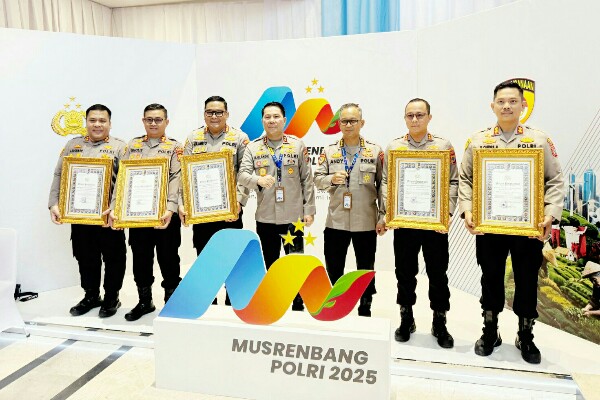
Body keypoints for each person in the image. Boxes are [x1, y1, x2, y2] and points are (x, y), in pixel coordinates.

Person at [458, 82, 565, 364]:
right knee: (490, 277)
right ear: (492, 105)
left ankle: (525, 335)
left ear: (523, 105)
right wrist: (467, 210)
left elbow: (555, 180)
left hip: (527, 228)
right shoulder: (478, 141)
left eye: (513, 101)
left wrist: (549, 214)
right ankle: (490, 331)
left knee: (527, 280)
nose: (506, 106)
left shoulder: (539, 141)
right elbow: (466, 179)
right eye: (501, 101)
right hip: (490, 227)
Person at [380, 98, 457, 346]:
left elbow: (453, 181)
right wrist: (389, 212)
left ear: (429, 118)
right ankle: (407, 318)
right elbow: (386, 182)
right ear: (405, 118)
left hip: (434, 224)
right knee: (404, 273)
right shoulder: (394, 147)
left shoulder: (443, 146)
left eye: (420, 115)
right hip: (404, 223)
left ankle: (439, 321)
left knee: (438, 273)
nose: (415, 120)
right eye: (410, 115)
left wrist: (447, 213)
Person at [48, 104, 127, 318]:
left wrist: (116, 208)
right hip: (80, 215)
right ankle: (91, 295)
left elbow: (125, 180)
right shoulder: (73, 145)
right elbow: (59, 174)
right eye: (93, 120)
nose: (97, 124)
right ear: (86, 122)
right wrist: (54, 203)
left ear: (110, 123)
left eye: (102, 120)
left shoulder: (120, 147)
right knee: (85, 256)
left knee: (114, 257)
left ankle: (111, 297)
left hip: (108, 217)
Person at [238, 101, 315, 311]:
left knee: (295, 261)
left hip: (293, 217)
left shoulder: (297, 145)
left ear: (284, 120)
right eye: (267, 117)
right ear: (262, 120)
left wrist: (309, 210)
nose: (272, 121)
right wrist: (258, 180)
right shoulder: (253, 147)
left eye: (276, 116)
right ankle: (274, 300)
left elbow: (307, 180)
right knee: (270, 261)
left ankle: (297, 299)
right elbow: (242, 175)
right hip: (266, 217)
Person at [111, 103, 183, 321]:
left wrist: (170, 208)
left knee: (169, 258)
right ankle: (145, 301)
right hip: (137, 216)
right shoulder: (132, 146)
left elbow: (176, 178)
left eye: (158, 119)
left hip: (165, 216)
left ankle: (172, 301)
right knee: (141, 259)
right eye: (149, 119)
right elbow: (121, 178)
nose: (153, 123)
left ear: (166, 122)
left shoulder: (174, 147)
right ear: (143, 121)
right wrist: (116, 207)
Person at [313, 103, 385, 317]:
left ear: (362, 123)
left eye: (353, 121)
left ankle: (365, 303)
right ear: (339, 124)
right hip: (336, 221)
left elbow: (383, 185)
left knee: (365, 266)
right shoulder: (329, 151)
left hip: (366, 220)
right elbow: (317, 179)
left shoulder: (375, 151)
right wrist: (331, 179)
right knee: (334, 266)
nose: (348, 125)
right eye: (344, 121)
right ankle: (336, 303)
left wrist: (383, 216)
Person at [179, 96, 249, 305]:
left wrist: (238, 202)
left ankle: (232, 297)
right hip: (201, 211)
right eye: (210, 112)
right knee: (205, 254)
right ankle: (208, 297)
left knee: (231, 253)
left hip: (230, 210)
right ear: (204, 114)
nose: (214, 116)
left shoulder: (239, 138)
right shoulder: (193, 138)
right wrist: (183, 203)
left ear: (227, 114)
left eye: (219, 112)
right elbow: (184, 174)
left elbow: (245, 173)